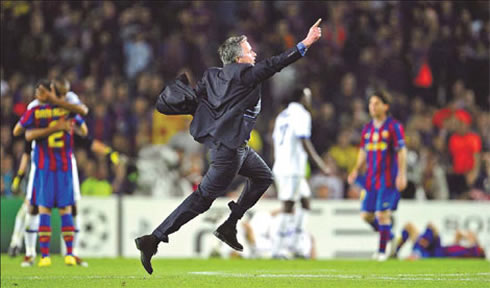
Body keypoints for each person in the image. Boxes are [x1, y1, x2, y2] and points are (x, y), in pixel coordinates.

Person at [135, 19, 323, 275]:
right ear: (238, 58)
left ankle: (229, 225)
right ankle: (153, 239)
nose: (254, 53)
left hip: (234, 147)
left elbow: (197, 101)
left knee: (263, 177)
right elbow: (275, 64)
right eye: (249, 50)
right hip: (229, 152)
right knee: (201, 199)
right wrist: (305, 43)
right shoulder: (246, 74)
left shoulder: (212, 75)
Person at [12, 79, 89, 267]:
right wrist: (58, 127)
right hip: (57, 165)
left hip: (47, 166)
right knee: (47, 208)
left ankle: (50, 255)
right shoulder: (66, 108)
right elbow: (84, 125)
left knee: (47, 208)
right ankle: (35, 254)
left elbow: (20, 132)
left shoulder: (39, 109)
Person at [348, 90, 407, 261]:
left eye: (376, 103)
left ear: (385, 106)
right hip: (371, 179)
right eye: (371, 104)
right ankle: (391, 238)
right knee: (366, 215)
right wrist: (356, 169)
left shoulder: (394, 127)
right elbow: (363, 152)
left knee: (382, 214)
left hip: (388, 178)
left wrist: (402, 175)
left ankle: (382, 251)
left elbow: (402, 151)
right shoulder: (367, 129)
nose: (372, 107)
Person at [271, 87, 330, 258]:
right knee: (288, 205)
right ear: (301, 98)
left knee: (305, 201)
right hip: (292, 168)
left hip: (283, 165)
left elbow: (275, 142)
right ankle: (278, 248)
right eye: (308, 96)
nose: (310, 100)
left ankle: (296, 244)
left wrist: (278, 162)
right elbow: (303, 140)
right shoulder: (302, 114)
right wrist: (320, 164)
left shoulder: (282, 116)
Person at [394, 222, 485, 260]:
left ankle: (417, 252)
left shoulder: (473, 250)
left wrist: (471, 239)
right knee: (409, 227)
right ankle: (396, 252)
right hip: (439, 249)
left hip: (438, 252)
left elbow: (472, 236)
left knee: (431, 228)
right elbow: (459, 234)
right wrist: (466, 236)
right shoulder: (464, 247)